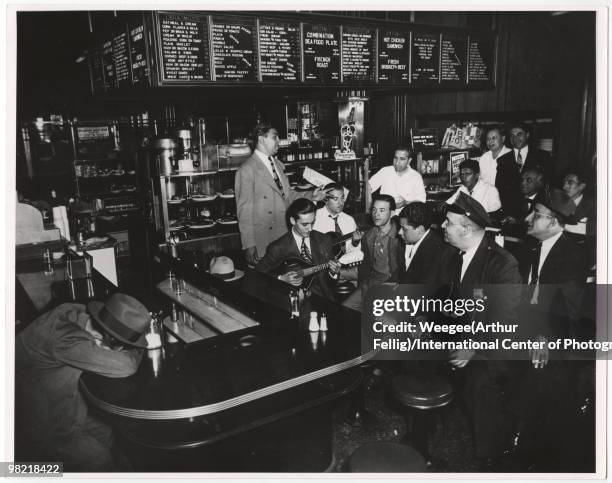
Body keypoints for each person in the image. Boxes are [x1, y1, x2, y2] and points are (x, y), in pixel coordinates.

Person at [15, 293, 150, 471]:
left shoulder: (76, 314)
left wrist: (123, 342)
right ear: (104, 337)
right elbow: (127, 366)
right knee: (98, 460)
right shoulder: (67, 340)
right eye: (120, 346)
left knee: (107, 433)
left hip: (59, 403)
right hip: (35, 426)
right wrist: (137, 346)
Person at [442, 192, 522, 470]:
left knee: (479, 383)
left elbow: (505, 319)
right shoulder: (458, 255)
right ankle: (430, 426)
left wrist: (473, 345)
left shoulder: (502, 264)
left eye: (448, 222)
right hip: (466, 335)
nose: (443, 226)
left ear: (466, 227)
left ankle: (491, 456)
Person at [235, 123, 326, 266]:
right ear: (261, 138)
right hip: (263, 239)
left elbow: (287, 194)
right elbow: (244, 212)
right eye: (274, 137)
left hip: (283, 236)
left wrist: (311, 196)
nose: (279, 141)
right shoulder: (247, 170)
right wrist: (249, 245)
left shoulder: (277, 165)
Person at [255, 198, 340, 300]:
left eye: (312, 222)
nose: (310, 229)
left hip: (322, 299)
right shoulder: (278, 247)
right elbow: (257, 275)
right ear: (292, 221)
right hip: (290, 301)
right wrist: (281, 279)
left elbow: (330, 283)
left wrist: (333, 273)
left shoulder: (324, 240)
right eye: (305, 224)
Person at [342, 194, 404, 312]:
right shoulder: (369, 235)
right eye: (374, 210)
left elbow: (403, 269)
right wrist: (362, 285)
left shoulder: (400, 236)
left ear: (392, 213)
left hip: (392, 284)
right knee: (346, 308)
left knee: (375, 317)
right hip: (372, 281)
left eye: (382, 210)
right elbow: (365, 265)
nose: (376, 214)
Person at [398, 202, 454, 284]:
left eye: (404, 229)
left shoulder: (438, 253)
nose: (399, 232)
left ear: (420, 229)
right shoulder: (418, 241)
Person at [368, 145, 426, 216]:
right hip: (385, 218)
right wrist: (370, 207)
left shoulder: (415, 176)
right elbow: (368, 187)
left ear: (409, 161)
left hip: (405, 218)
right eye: (395, 158)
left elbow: (421, 200)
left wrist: (405, 203)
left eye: (402, 159)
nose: (397, 162)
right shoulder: (385, 171)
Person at [312, 182, 362, 253]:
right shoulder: (314, 218)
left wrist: (354, 244)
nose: (340, 202)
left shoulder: (349, 220)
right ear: (325, 200)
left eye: (342, 198)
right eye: (335, 199)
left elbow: (356, 252)